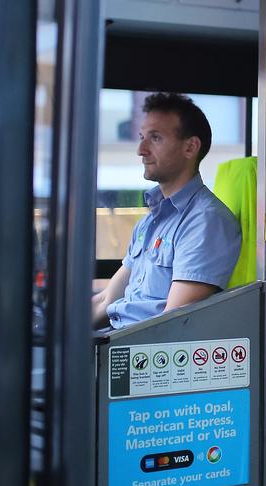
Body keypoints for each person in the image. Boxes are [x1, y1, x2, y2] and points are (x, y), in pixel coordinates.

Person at [92, 93, 241, 329]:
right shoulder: (150, 222)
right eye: (142, 137)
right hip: (115, 339)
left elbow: (172, 324)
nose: (141, 149)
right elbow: (106, 300)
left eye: (155, 138)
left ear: (190, 147)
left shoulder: (205, 221)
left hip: (141, 352)